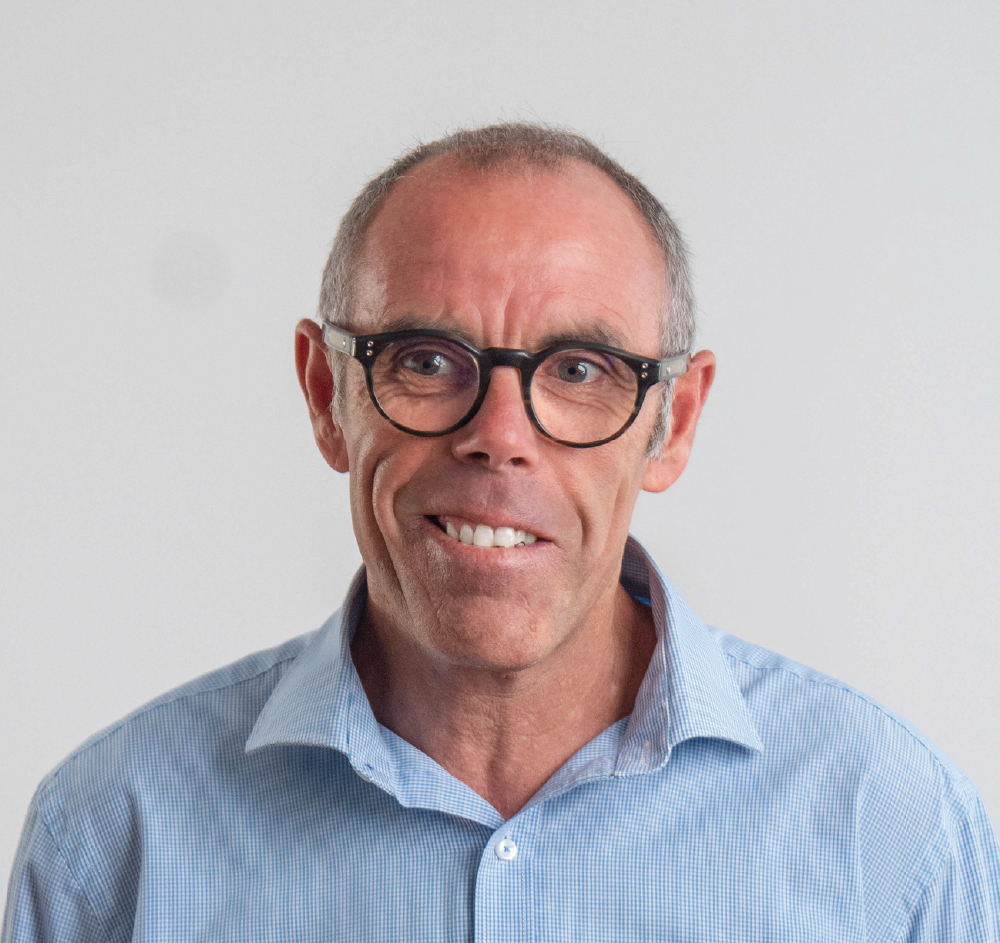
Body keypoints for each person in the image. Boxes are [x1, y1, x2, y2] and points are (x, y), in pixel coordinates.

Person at [4, 122, 999, 942]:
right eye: (427, 360)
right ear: (324, 394)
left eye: (580, 371)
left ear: (676, 420)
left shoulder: (893, 834)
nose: (499, 437)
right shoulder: (111, 839)